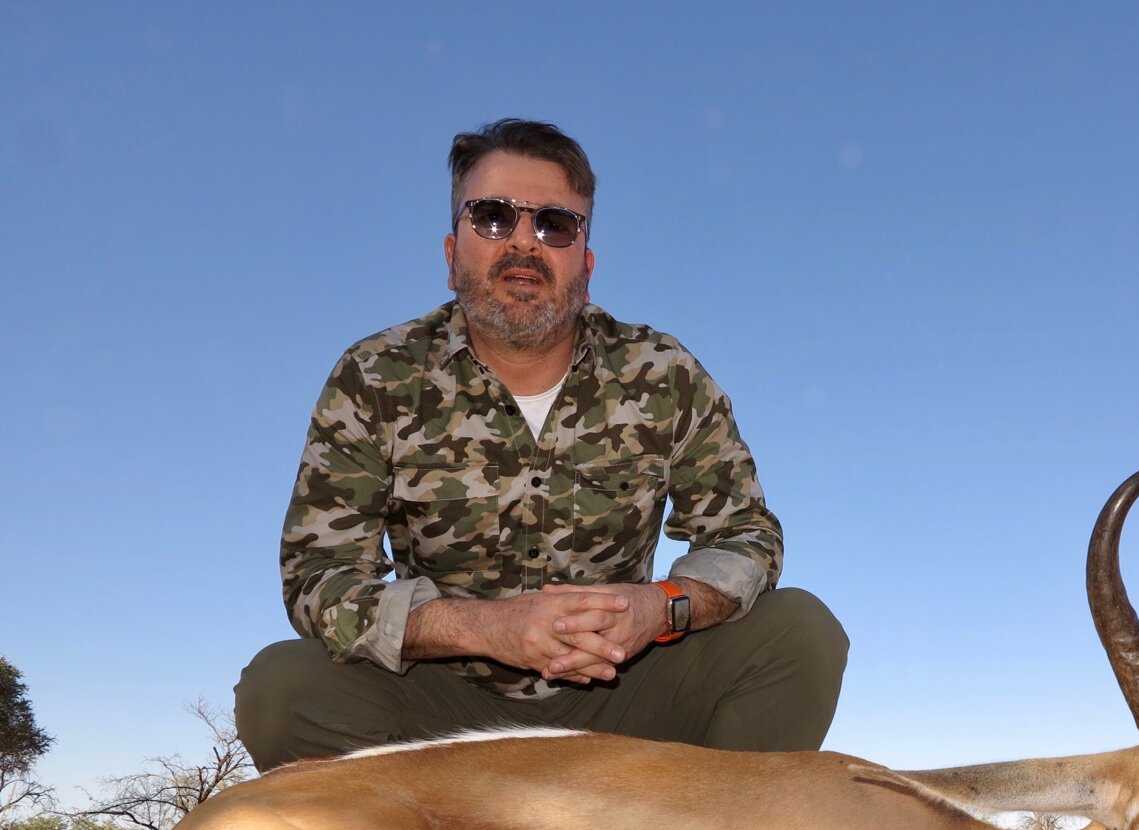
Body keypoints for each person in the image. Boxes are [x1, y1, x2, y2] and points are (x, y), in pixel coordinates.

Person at [235, 118, 847, 771]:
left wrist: (658, 609)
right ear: (451, 255)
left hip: (625, 700)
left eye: (555, 225)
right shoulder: (374, 376)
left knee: (801, 636)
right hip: (440, 703)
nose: (523, 242)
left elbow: (748, 537)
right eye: (493, 217)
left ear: (584, 264)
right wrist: (485, 629)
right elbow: (318, 579)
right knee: (279, 691)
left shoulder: (662, 371)